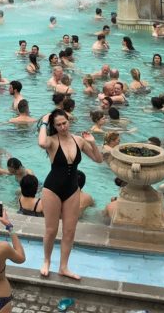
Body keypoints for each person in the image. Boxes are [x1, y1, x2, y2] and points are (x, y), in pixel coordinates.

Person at [37, 109, 103, 279]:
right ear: (54, 126)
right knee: (51, 230)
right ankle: (46, 261)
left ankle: (63, 267)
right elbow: (42, 143)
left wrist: (93, 142)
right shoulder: (51, 141)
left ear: (69, 121)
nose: (62, 127)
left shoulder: (79, 140)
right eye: (58, 125)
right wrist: (44, 122)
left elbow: (98, 159)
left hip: (72, 189)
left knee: (70, 231)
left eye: (64, 123)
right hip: (52, 189)